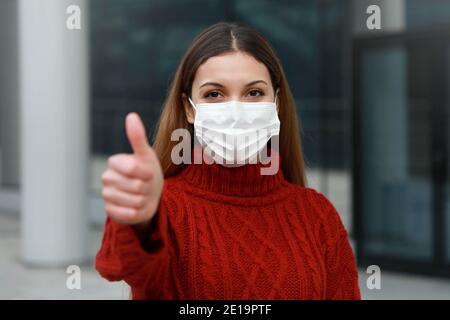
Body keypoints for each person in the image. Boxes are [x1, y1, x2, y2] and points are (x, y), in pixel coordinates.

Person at [95, 22, 361, 300]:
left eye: (254, 93)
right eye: (214, 94)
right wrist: (138, 218)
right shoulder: (164, 207)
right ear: (189, 108)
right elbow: (119, 266)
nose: (235, 110)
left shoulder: (317, 214)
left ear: (277, 103)